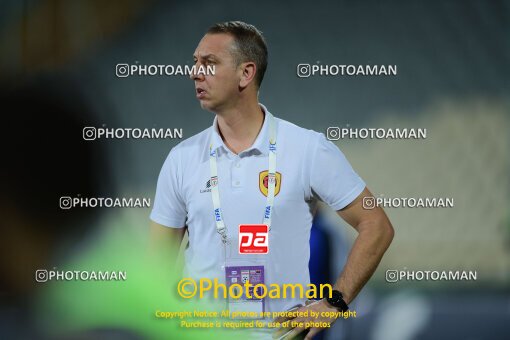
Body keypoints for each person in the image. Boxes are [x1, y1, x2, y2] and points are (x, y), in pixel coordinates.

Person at [149, 21, 394, 339]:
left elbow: (376, 225)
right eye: (195, 62)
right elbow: (155, 267)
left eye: (209, 63)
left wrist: (336, 301)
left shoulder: (307, 149)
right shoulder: (181, 158)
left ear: (246, 74)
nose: (195, 72)